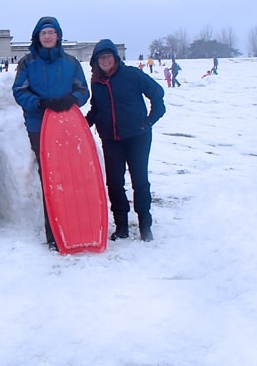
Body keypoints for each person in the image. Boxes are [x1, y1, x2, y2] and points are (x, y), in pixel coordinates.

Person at [12, 16, 90, 251]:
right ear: (37, 36)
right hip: (40, 125)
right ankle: (55, 232)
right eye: (43, 33)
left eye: (51, 32)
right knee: (51, 176)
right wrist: (41, 103)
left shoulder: (71, 62)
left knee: (73, 174)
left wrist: (71, 100)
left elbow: (83, 90)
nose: (47, 36)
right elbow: (19, 92)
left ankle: (79, 225)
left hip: (68, 124)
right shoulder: (28, 62)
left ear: (58, 36)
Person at [85, 39, 166, 242]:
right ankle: (121, 226)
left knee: (139, 181)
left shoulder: (132, 75)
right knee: (114, 183)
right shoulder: (96, 82)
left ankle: (145, 225)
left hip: (137, 137)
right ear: (96, 61)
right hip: (111, 139)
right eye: (101, 58)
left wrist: (148, 122)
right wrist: (83, 126)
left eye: (108, 57)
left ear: (115, 58)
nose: (105, 61)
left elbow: (158, 95)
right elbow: (96, 109)